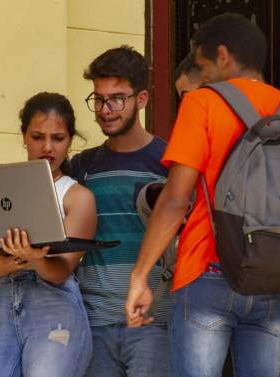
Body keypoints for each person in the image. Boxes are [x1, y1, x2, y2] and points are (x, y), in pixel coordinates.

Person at [126, 13, 280, 377]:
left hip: (208, 272)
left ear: (223, 56)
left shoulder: (203, 103)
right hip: (273, 279)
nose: (202, 76)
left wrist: (140, 276)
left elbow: (175, 199)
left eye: (203, 65)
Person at [0, 92, 96, 377]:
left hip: (52, 305)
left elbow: (60, 272)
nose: (47, 147)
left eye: (58, 138)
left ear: (70, 140)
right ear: (22, 135)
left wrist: (36, 260)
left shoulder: (77, 196)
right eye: (37, 136)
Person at [70, 45, 172, 377]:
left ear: (142, 99)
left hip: (154, 322)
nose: (105, 109)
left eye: (116, 98)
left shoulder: (171, 163)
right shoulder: (83, 166)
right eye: (98, 99)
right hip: (93, 322)